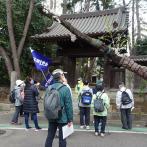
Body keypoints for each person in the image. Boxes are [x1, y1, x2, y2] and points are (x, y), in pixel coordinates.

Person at [45, 69, 73, 147]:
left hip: (51, 116)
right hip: (62, 117)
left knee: (50, 137)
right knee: (62, 139)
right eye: (63, 75)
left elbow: (46, 103)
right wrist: (70, 119)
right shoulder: (65, 89)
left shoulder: (49, 88)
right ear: (60, 76)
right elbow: (68, 106)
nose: (64, 76)